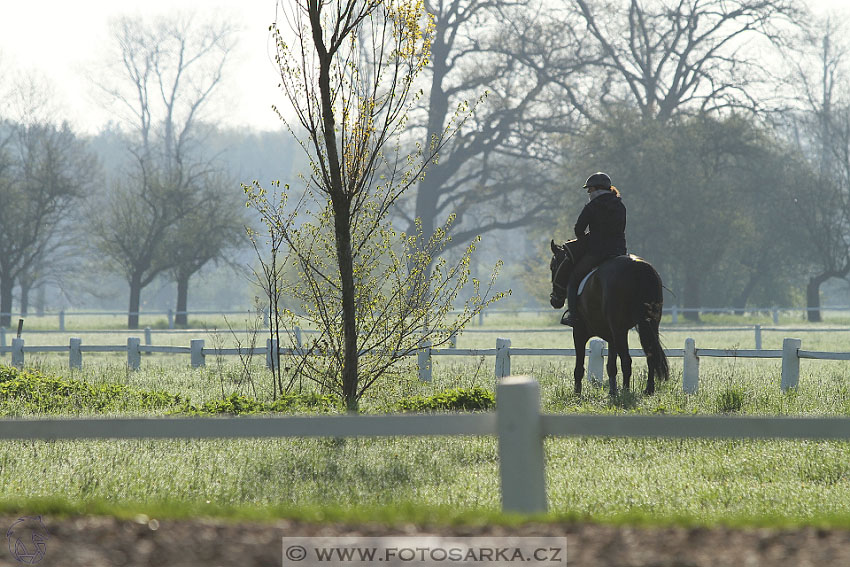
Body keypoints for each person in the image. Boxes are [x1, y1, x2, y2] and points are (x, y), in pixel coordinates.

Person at [562, 172, 627, 327]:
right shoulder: (620, 205)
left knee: (573, 278)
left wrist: (586, 241)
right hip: (619, 252)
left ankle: (573, 315)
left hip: (598, 252)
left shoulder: (592, 206)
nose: (588, 193)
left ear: (597, 189)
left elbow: (578, 229)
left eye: (589, 189)